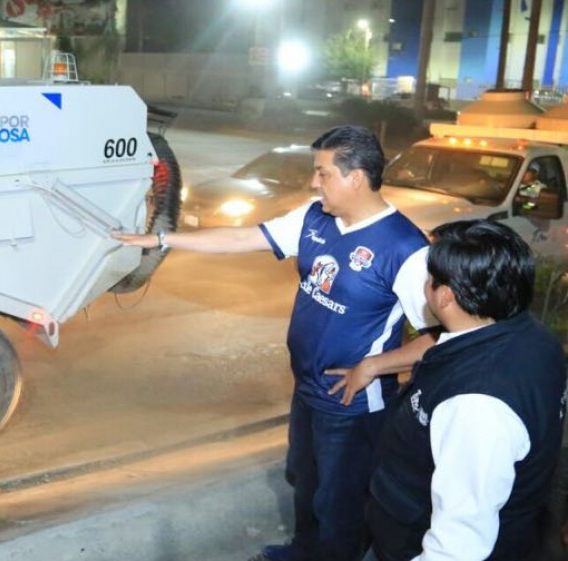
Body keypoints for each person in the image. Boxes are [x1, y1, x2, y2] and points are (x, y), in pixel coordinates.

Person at [115, 125, 436, 561]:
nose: (313, 182)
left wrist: (374, 366)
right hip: (307, 389)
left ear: (356, 177)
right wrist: (161, 238)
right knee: (304, 481)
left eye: (323, 173)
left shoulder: (405, 248)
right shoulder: (315, 217)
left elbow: (441, 336)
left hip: (353, 406)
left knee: (340, 504)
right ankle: (304, 550)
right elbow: (242, 238)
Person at [363, 220, 566, 561]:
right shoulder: (536, 337)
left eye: (429, 276)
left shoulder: (476, 405)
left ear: (444, 296)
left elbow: (458, 546)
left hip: (411, 544)